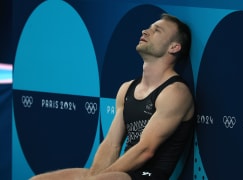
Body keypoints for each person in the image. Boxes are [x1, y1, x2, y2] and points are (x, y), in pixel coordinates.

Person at [30, 13, 194, 180]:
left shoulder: (175, 92)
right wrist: (94, 176)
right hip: (121, 173)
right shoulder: (126, 89)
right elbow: (112, 145)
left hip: (149, 175)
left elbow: (145, 150)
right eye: (148, 28)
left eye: (156, 30)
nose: (145, 31)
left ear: (174, 47)